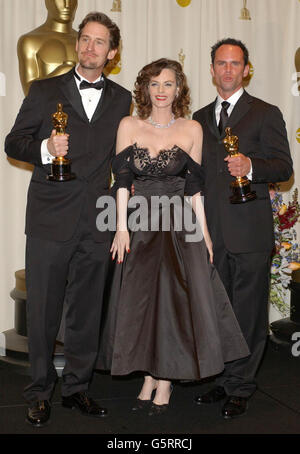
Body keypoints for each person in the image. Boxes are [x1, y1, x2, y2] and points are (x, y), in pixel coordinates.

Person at [96, 58, 250, 416]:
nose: (161, 91)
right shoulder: (128, 124)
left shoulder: (192, 128)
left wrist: (206, 235)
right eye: (154, 84)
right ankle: (148, 374)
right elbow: (121, 182)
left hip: (180, 227)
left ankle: (164, 380)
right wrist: (120, 227)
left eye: (168, 84)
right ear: (144, 89)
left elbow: (195, 189)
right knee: (141, 303)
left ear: (178, 89)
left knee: (173, 306)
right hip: (139, 226)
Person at [5, 12, 131, 427]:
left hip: (97, 220)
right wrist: (44, 147)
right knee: (42, 311)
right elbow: (13, 141)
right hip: (48, 219)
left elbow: (123, 163)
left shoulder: (122, 99)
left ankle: (77, 389)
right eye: (85, 40)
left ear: (111, 53)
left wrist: (119, 216)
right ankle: (39, 392)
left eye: (100, 42)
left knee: (87, 311)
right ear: (78, 44)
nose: (90, 47)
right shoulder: (45, 90)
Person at [192, 38, 293, 418]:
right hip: (211, 234)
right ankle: (222, 380)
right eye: (222, 63)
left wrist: (251, 166)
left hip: (250, 233)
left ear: (247, 69)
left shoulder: (266, 113)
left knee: (248, 314)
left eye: (235, 63)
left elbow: (283, 168)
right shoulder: (200, 118)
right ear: (213, 69)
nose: (228, 70)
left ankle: (240, 386)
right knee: (218, 312)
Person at [17, 0, 79, 96]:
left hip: (81, 111)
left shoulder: (86, 43)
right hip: (46, 110)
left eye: (71, 0)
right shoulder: (30, 41)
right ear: (47, 2)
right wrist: (63, 71)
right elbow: (29, 93)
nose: (67, 5)